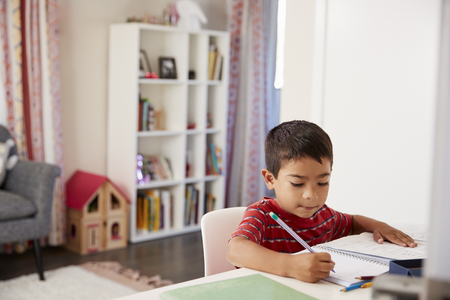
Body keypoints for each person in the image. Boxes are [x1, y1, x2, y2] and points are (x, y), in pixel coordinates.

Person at [226, 120, 417, 283]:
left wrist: (379, 225)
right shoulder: (263, 215)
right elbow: (235, 250)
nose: (311, 194)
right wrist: (290, 266)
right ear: (270, 179)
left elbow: (351, 223)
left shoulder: (323, 216)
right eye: (297, 183)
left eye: (322, 182)